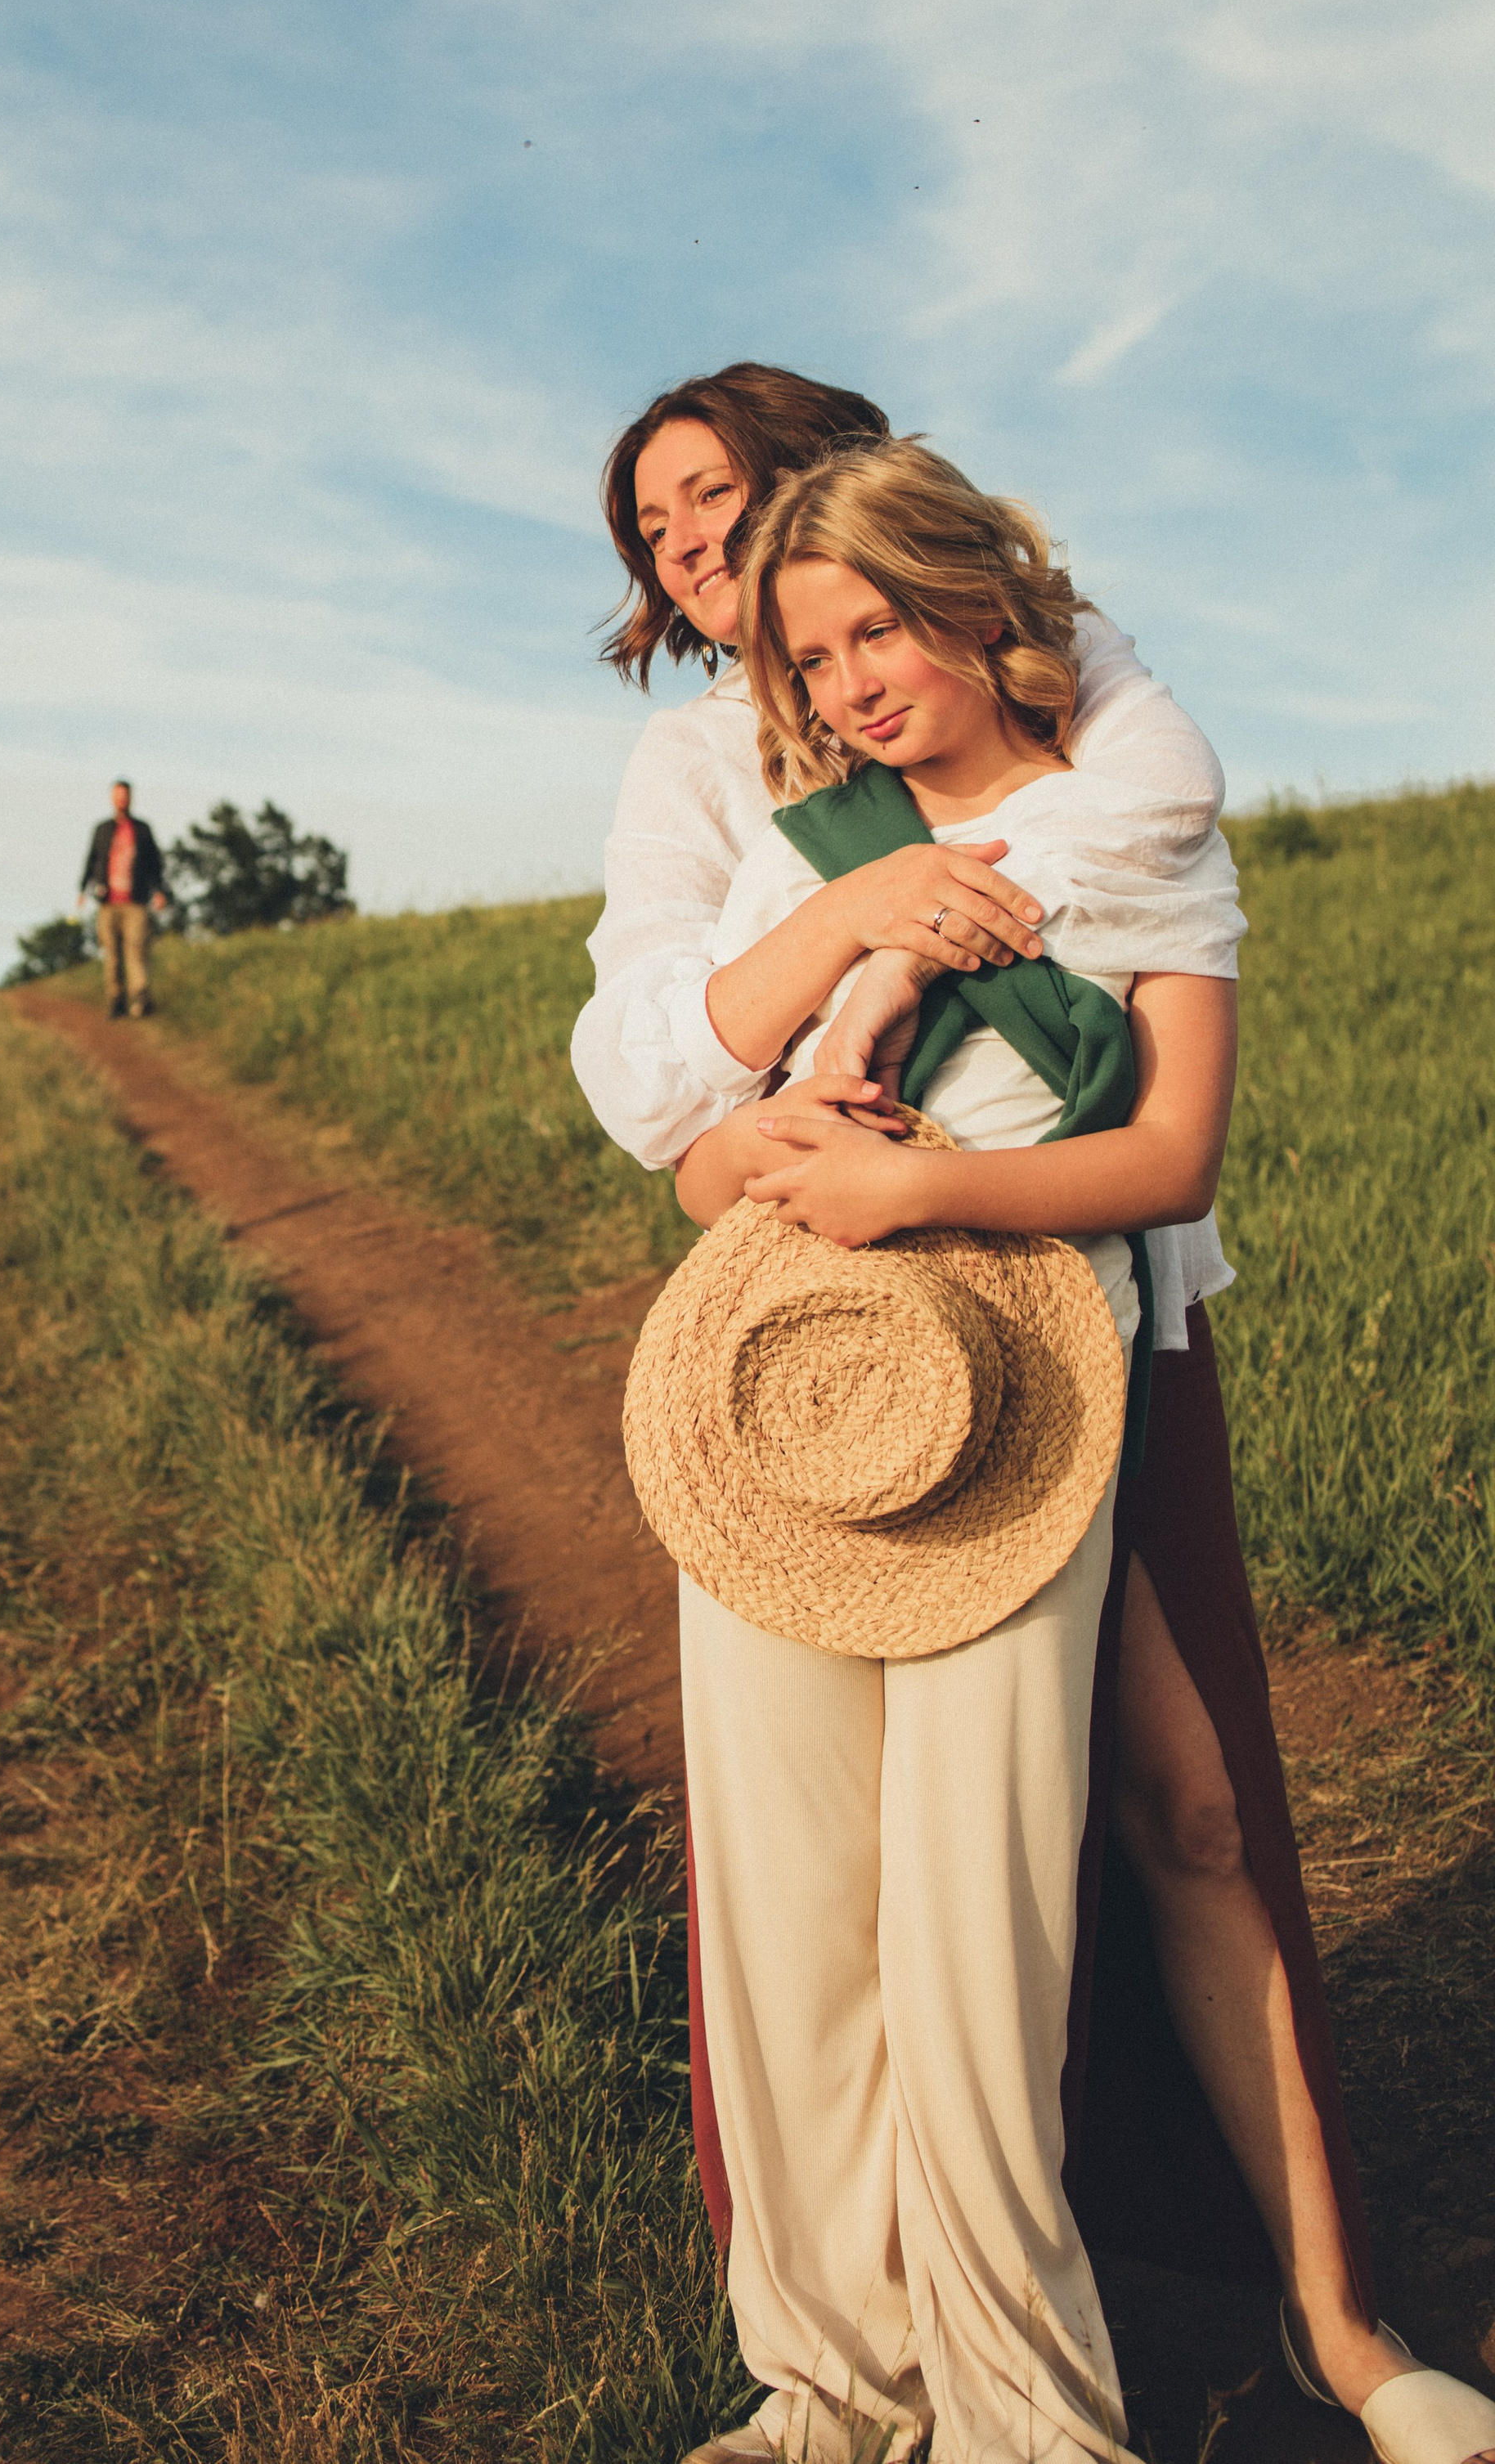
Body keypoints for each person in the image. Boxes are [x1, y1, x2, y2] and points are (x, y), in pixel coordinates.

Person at [572, 366, 1495, 2464]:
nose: (691, 548)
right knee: (813, 1874)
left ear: (862, 514)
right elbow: (662, 1089)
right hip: (812, 1359)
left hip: (1074, 1330)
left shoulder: (1086, 717)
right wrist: (833, 954)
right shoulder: (712, 777)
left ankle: (1311, 2329)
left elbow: (1145, 844)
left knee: (1158, 1819)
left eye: (725, 498)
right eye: (657, 530)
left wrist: (910, 945)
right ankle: (840, 2361)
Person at [79, 779, 168, 1019]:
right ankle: (117, 1001)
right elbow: (92, 859)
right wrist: (82, 890)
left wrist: (160, 891)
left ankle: (141, 997)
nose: (121, 800)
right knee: (113, 955)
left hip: (136, 902)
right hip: (108, 903)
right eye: (117, 795)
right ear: (112, 798)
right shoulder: (102, 830)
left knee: (136, 949)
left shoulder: (142, 829)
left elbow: (155, 864)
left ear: (130, 798)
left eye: (125, 795)